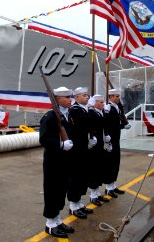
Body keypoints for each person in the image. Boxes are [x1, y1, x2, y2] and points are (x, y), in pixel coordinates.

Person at [39, 87, 75, 238]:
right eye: (66, 97)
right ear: (58, 99)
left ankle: (57, 220)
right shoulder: (49, 116)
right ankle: (50, 224)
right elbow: (43, 140)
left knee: (61, 191)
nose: (70, 99)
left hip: (64, 161)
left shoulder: (66, 114)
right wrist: (61, 145)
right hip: (53, 162)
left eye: (70, 96)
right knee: (52, 191)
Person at [67, 87, 93, 218]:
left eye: (87, 95)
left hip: (83, 147)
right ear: (76, 97)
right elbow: (82, 126)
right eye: (84, 95)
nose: (87, 97)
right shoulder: (75, 111)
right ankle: (73, 205)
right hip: (75, 149)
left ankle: (78, 202)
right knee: (75, 176)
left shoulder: (84, 109)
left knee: (82, 175)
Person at [103, 89, 131, 198]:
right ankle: (108, 187)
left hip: (116, 138)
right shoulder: (108, 108)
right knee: (110, 163)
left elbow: (116, 123)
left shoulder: (117, 107)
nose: (118, 98)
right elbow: (106, 124)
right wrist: (106, 139)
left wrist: (123, 125)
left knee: (116, 162)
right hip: (110, 139)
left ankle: (113, 185)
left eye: (118, 96)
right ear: (110, 97)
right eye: (116, 96)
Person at [88, 94, 110, 206]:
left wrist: (106, 136)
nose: (103, 104)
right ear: (95, 103)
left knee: (99, 169)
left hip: (100, 144)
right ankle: (93, 194)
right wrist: (91, 138)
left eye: (103, 102)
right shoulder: (91, 113)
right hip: (94, 146)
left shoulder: (101, 113)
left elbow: (105, 126)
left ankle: (97, 193)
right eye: (101, 102)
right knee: (94, 169)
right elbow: (90, 127)